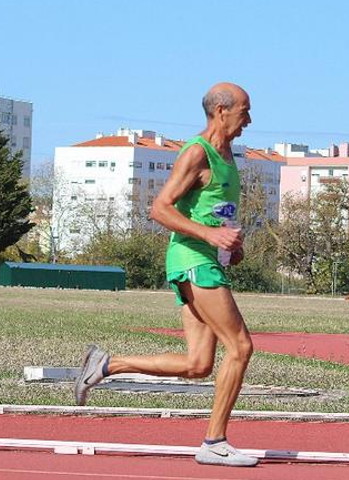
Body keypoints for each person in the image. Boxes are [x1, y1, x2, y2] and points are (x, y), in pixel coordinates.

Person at [74, 82, 257, 467]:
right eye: (244, 110)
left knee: (198, 364)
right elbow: (159, 208)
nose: (249, 120)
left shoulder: (227, 156)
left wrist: (230, 245)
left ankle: (107, 364)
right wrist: (210, 236)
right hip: (193, 258)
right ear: (221, 110)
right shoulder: (197, 152)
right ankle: (214, 442)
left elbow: (213, 211)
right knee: (240, 347)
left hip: (203, 258)